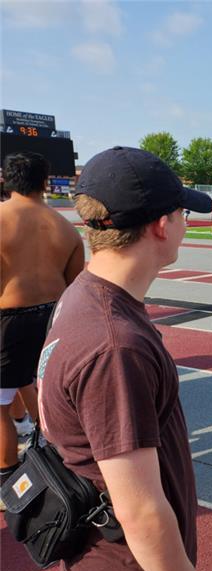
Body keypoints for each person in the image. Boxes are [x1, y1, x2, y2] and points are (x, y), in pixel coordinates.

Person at [38, 146, 212, 571]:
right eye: (181, 212)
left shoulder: (82, 293)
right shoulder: (115, 344)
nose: (185, 223)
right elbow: (138, 508)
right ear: (161, 225)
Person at [0, 152, 84, 489]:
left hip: (6, 321)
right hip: (50, 319)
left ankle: (6, 478)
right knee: (40, 390)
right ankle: (55, 457)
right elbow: (76, 287)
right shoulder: (66, 229)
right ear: (45, 183)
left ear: (6, 179)